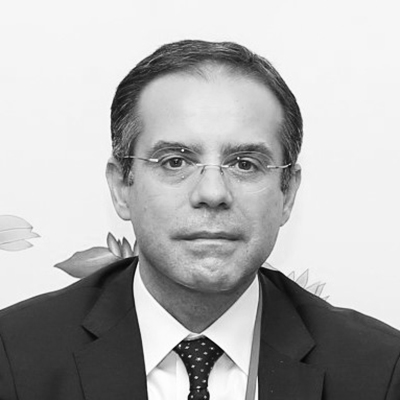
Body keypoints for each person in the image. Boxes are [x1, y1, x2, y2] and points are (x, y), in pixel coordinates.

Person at [0, 40, 399, 400]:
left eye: (245, 163)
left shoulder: (381, 372)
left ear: (288, 193)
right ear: (122, 187)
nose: (212, 193)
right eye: (175, 161)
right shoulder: (13, 359)